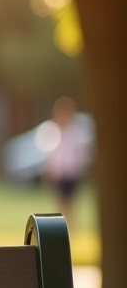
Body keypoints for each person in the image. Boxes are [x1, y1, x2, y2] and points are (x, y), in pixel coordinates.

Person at [43, 96, 90, 226]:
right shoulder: (51, 129)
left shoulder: (76, 131)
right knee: (60, 201)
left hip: (72, 171)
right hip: (59, 172)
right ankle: (60, 225)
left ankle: (71, 226)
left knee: (71, 202)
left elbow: (81, 152)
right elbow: (49, 153)